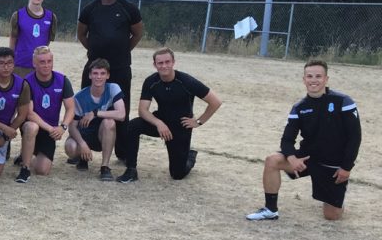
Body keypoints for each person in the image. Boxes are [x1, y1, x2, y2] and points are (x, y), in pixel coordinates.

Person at [246, 60, 361, 221]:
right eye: (310, 76)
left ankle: (337, 200)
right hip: (308, 158)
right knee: (272, 160)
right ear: (304, 79)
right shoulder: (299, 107)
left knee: (332, 216)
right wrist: (292, 158)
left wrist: (346, 167)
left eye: (318, 76)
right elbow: (287, 140)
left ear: (326, 79)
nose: (314, 80)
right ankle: (270, 209)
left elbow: (355, 137)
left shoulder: (343, 101)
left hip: (333, 164)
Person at [118, 48, 223, 182]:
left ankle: (190, 156)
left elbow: (215, 102)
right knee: (133, 125)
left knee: (177, 174)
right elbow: (143, 110)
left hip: (180, 126)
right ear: (154, 65)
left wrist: (198, 122)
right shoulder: (151, 81)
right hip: (161, 122)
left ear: (173, 62)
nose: (164, 66)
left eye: (167, 62)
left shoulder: (186, 81)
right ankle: (131, 170)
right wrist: (159, 123)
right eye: (160, 63)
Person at [77, 0, 143, 159]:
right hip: (94, 67)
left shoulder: (128, 8)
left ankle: (122, 152)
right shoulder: (90, 8)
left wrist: (123, 50)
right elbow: (81, 34)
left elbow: (138, 33)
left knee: (121, 109)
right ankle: (83, 148)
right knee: (86, 106)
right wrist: (93, 51)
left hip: (120, 68)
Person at [20, 46, 75, 182]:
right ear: (34, 64)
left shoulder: (62, 80)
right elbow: (30, 113)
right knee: (31, 127)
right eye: (42, 62)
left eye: (49, 61)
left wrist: (62, 127)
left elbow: (71, 108)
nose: (46, 65)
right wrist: (52, 129)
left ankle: (27, 154)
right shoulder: (27, 81)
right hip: (34, 125)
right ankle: (25, 168)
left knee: (42, 171)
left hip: (50, 131)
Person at [65, 58, 126, 181]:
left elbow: (121, 115)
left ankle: (105, 167)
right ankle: (83, 158)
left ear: (108, 75)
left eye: (102, 73)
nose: (99, 77)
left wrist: (95, 113)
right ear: (89, 75)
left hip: (102, 132)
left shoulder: (113, 88)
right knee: (70, 147)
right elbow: (72, 127)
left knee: (109, 122)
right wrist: (82, 144)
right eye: (95, 73)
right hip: (86, 132)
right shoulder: (79, 97)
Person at [0, 47, 31, 178]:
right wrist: (5, 129)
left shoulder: (22, 85)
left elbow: (22, 115)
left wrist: (5, 136)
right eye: (1, 63)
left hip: (3, 128)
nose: (6, 67)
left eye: (9, 63)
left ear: (14, 64)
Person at [8, 0, 57, 78]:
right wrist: (11, 60)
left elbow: (47, 42)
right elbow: (13, 39)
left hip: (40, 67)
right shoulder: (18, 15)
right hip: (20, 65)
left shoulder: (51, 17)